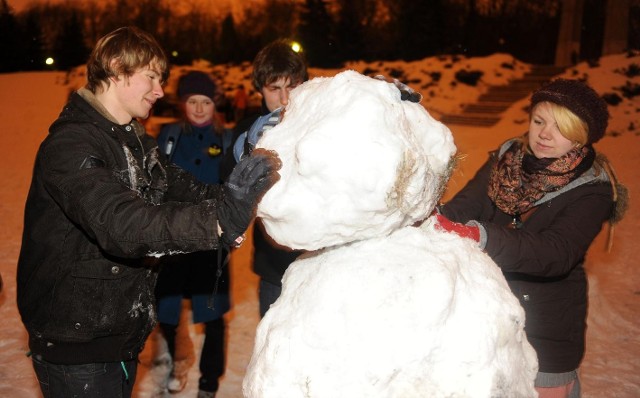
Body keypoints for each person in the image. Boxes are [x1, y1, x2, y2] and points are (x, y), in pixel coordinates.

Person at [16, 26, 280, 398]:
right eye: (152, 77)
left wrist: (244, 194)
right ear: (115, 66)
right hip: (77, 346)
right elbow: (123, 225)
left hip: (116, 337)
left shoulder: (134, 139)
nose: (160, 91)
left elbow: (189, 191)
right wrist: (218, 221)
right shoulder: (71, 145)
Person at [435, 79, 627, 398]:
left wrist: (480, 235)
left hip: (546, 326)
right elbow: (464, 206)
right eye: (538, 121)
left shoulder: (594, 189)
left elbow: (555, 252)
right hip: (488, 312)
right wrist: (427, 217)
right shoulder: (507, 159)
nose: (544, 134)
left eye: (561, 127)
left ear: (582, 135)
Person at [154, 71, 234, 397]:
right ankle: (177, 361)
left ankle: (208, 382)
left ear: (215, 105)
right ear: (182, 104)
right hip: (173, 239)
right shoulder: (169, 136)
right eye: (192, 101)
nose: (199, 109)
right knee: (168, 313)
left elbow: (235, 191)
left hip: (211, 242)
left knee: (213, 316)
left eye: (206, 102)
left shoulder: (228, 141)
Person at [221, 38, 308, 317]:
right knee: (274, 352)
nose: (284, 99)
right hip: (274, 263)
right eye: (274, 89)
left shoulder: (321, 122)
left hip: (322, 257)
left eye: (291, 86)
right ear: (260, 89)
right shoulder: (248, 131)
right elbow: (226, 182)